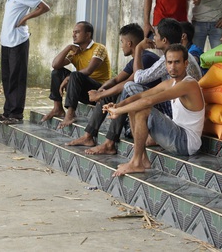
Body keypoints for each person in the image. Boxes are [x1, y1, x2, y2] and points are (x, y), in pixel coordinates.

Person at [83, 18, 202, 155]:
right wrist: (118, 106)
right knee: (133, 97)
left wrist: (139, 47)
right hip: (176, 111)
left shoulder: (180, 73)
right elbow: (138, 92)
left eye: (156, 35)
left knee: (137, 100)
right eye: (170, 63)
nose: (153, 37)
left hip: (183, 133)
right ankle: (136, 156)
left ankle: (116, 146)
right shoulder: (173, 69)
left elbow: (141, 86)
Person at [105, 44, 205, 176]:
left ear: (186, 63)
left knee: (143, 109)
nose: (172, 67)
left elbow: (149, 101)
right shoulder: (171, 83)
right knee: (135, 107)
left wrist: (118, 111)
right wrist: (117, 106)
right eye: (169, 62)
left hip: (185, 142)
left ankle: (136, 163)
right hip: (176, 135)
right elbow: (140, 96)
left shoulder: (189, 84)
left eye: (177, 62)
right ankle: (142, 159)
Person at [64, 23, 159, 147]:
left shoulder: (146, 58)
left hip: (152, 105)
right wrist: (101, 90)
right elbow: (116, 80)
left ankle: (109, 143)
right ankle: (88, 136)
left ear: (129, 43)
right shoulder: (135, 60)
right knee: (107, 95)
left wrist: (100, 94)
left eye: (122, 42)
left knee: (122, 94)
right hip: (138, 100)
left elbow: (127, 83)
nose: (121, 46)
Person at [0, 0, 50, 125]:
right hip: (6, 40)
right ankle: (8, 111)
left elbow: (44, 7)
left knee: (17, 77)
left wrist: (25, 18)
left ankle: (16, 114)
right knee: (7, 77)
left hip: (18, 41)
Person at [40, 21, 111, 128]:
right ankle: (57, 108)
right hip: (81, 89)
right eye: (73, 32)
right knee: (56, 72)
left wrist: (68, 78)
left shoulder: (99, 48)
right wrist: (68, 47)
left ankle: (70, 113)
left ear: (88, 34)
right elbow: (55, 65)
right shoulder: (75, 51)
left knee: (74, 75)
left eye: (77, 32)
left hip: (99, 91)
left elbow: (88, 71)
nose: (73, 35)